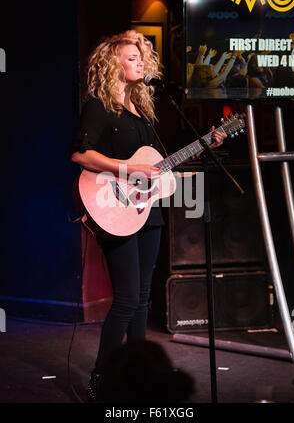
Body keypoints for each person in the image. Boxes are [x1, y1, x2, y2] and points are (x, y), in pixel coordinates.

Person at [70, 29, 226, 402]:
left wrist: (206, 144)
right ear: (113, 65)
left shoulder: (144, 111)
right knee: (125, 299)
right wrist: (125, 170)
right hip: (113, 207)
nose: (140, 63)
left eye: (142, 58)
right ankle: (101, 379)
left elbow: (158, 168)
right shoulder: (99, 107)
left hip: (147, 210)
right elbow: (80, 154)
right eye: (132, 58)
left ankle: (136, 377)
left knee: (142, 298)